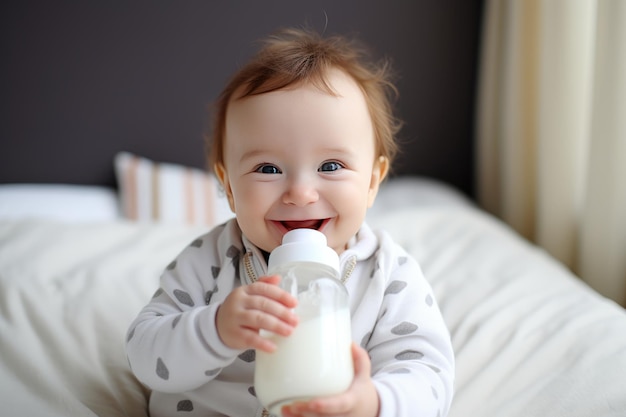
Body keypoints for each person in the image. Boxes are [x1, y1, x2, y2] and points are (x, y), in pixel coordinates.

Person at [126, 27, 454, 417]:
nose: (300, 192)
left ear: (371, 181)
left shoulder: (387, 274)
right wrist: (214, 329)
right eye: (267, 168)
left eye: (330, 166)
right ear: (228, 187)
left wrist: (372, 403)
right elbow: (145, 356)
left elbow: (429, 376)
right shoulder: (211, 261)